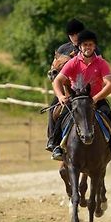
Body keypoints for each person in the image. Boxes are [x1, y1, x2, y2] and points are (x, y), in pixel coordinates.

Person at [52, 29, 111, 161]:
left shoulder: (101, 63)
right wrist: (60, 96)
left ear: (94, 46)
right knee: (61, 117)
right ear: (80, 46)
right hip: (76, 99)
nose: (88, 47)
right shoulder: (72, 62)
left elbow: (109, 84)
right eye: (85, 45)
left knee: (108, 115)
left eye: (90, 45)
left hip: (95, 99)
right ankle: (56, 145)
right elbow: (57, 81)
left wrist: (96, 98)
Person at [45, 18, 86, 152]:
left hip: (88, 90)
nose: (74, 37)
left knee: (106, 111)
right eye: (72, 35)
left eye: (77, 34)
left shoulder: (90, 47)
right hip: (67, 91)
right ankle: (53, 141)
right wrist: (60, 91)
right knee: (53, 108)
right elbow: (52, 72)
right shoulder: (63, 49)